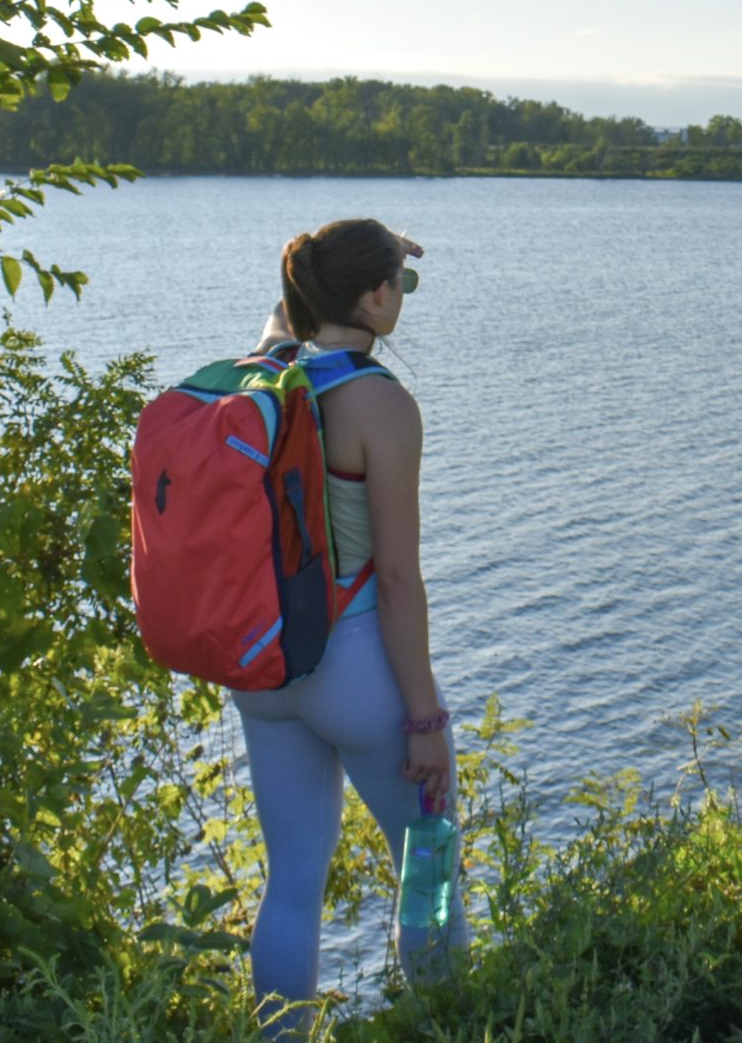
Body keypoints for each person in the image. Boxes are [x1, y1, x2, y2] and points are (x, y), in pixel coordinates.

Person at [230, 216, 468, 1028]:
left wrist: (354, 256)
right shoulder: (380, 406)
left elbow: (290, 307)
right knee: (428, 868)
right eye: (397, 282)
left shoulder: (260, 372)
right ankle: (445, 1024)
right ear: (376, 296)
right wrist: (426, 718)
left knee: (292, 877)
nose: (403, 294)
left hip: (266, 668)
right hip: (355, 663)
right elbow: (398, 581)